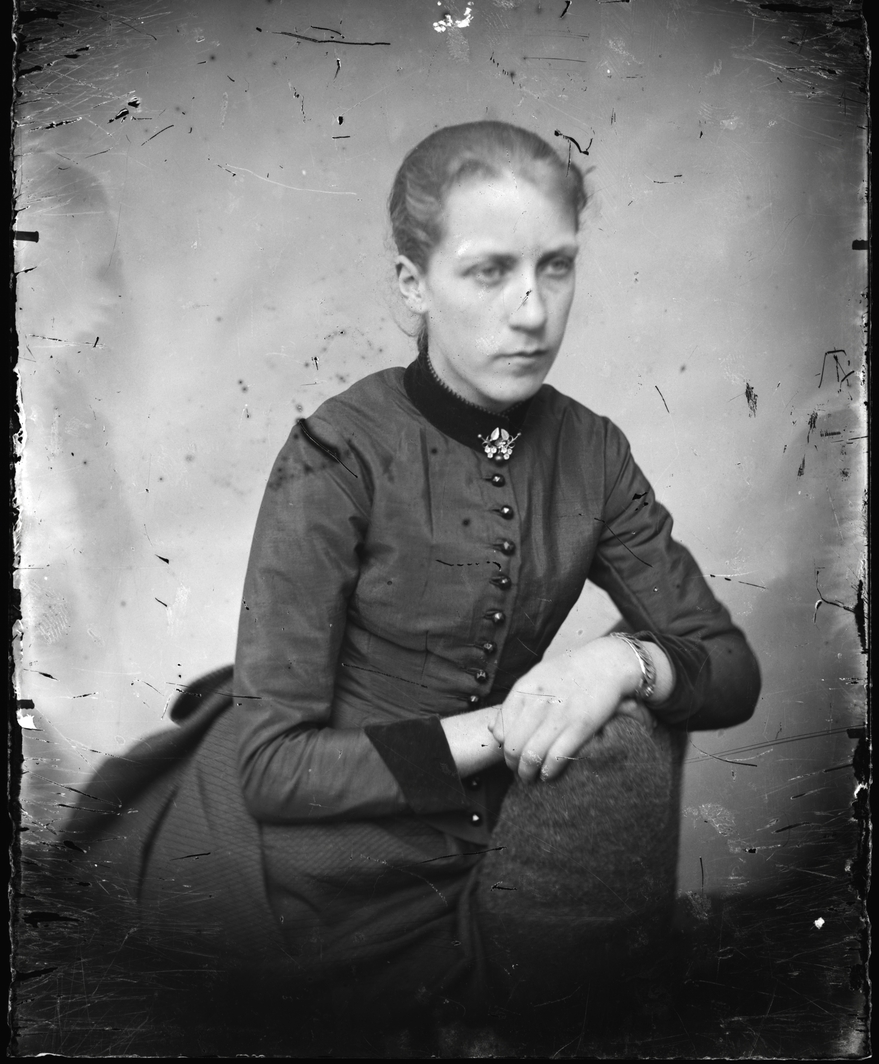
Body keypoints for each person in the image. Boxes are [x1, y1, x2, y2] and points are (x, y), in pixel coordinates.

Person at [64, 121, 760, 1028]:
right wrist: (511, 726)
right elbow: (273, 770)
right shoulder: (336, 454)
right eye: (489, 271)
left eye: (555, 266)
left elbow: (728, 667)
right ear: (411, 285)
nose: (531, 311)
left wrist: (620, 663)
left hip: (471, 844)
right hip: (297, 869)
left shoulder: (591, 452)